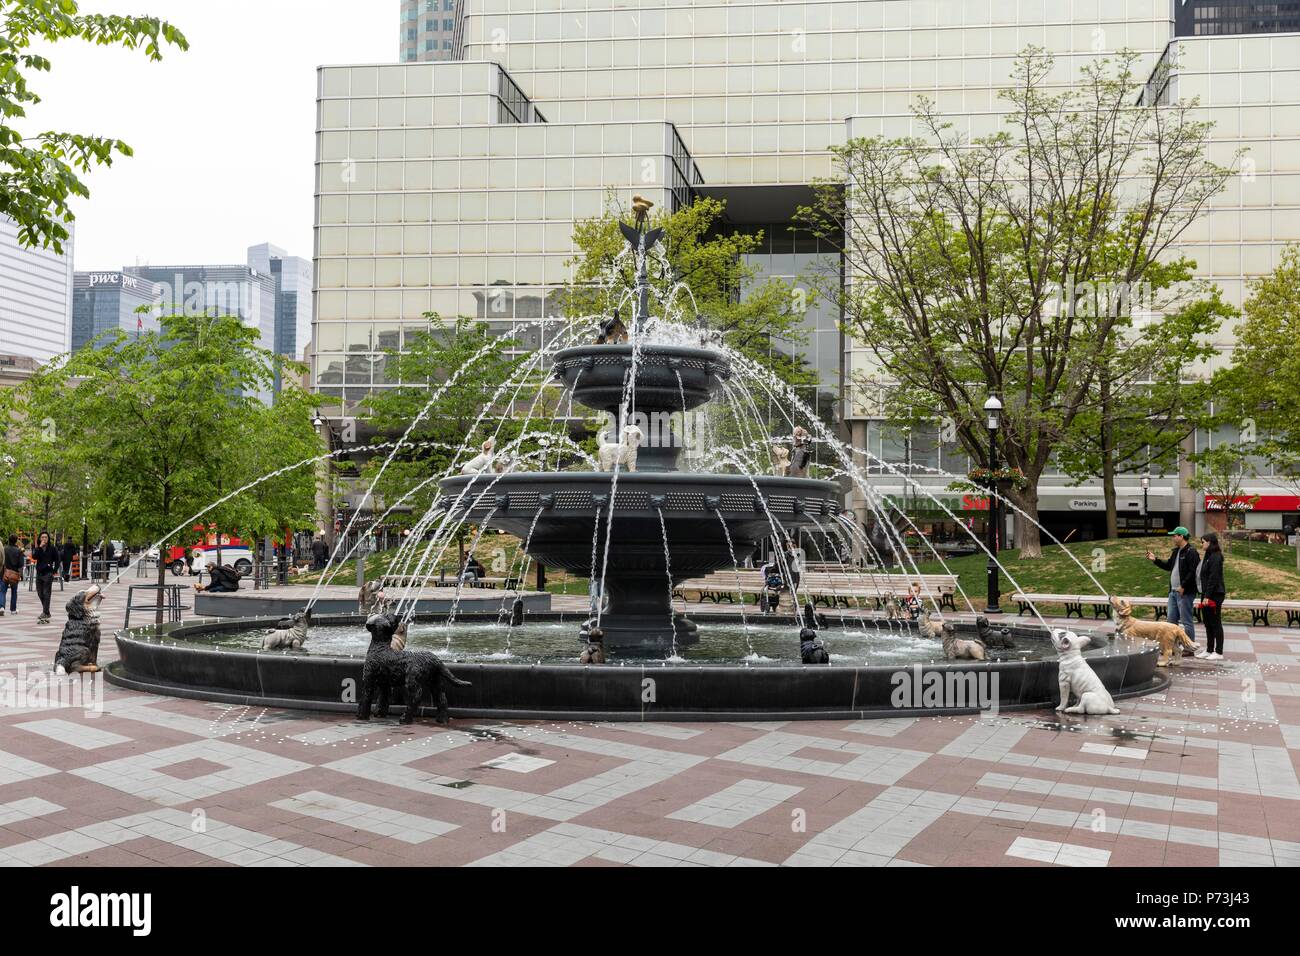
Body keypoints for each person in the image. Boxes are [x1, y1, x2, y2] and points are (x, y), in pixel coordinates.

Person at [1148, 526, 1200, 648]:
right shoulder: (1176, 551)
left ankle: (1189, 647)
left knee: (1186, 621)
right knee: (1171, 622)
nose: (1173, 537)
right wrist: (1155, 560)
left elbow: (1193, 572)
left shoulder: (1191, 552)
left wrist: (1183, 586)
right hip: (1173, 592)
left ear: (1181, 536)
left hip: (1184, 592)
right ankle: (1169, 647)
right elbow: (1168, 566)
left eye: (1175, 535)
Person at [1195, 532, 1227, 661]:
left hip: (1214, 594)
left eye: (1203, 542)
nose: (1202, 544)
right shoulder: (1208, 555)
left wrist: (1207, 596)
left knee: (1215, 623)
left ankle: (1218, 652)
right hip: (1206, 594)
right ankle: (1209, 649)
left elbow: (1213, 578)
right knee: (1207, 622)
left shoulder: (1216, 556)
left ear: (1209, 542)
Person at [33, 530, 59, 624]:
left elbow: (57, 560)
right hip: (39, 573)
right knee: (40, 593)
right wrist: (39, 547)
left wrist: (54, 571)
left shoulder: (52, 548)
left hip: (48, 573)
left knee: (46, 593)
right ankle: (47, 612)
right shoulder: (38, 548)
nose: (44, 539)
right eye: (42, 537)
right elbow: (34, 557)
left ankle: (45, 612)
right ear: (40, 539)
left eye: (46, 537)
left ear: (48, 539)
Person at [1, 534, 23, 616]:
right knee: (14, 592)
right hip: (15, 574)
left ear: (8, 540)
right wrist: (21, 575)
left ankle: (1, 607)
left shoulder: (4, 549)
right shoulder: (19, 550)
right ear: (16, 541)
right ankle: (13, 610)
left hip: (5, 573)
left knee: (3, 591)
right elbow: (21, 564)